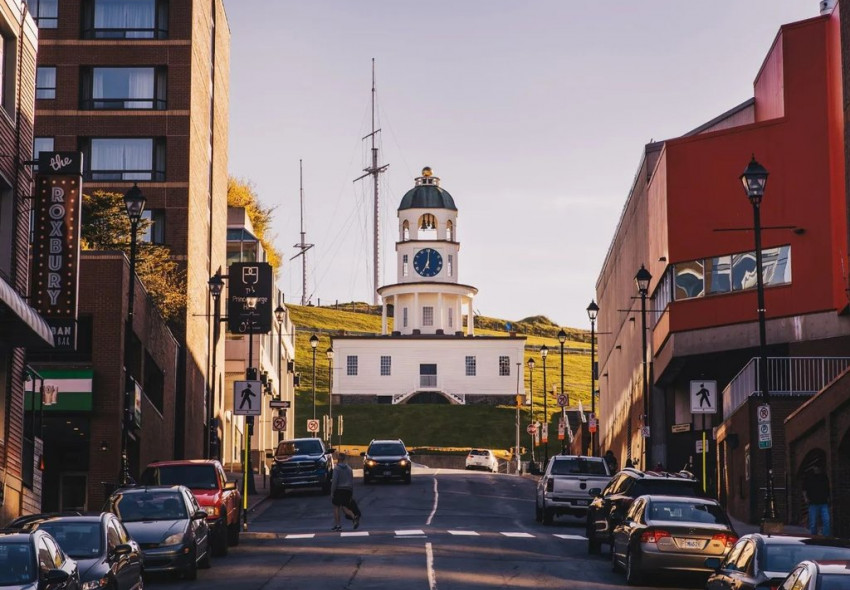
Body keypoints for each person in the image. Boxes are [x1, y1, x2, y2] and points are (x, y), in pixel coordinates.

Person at [330, 451, 360, 531]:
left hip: (339, 489)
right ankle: (354, 517)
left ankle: (338, 525)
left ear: (338, 459)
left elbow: (334, 481)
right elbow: (351, 481)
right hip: (348, 490)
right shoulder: (349, 469)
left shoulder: (336, 469)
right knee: (345, 507)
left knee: (336, 507)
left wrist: (332, 492)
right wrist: (351, 493)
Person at [803, 465, 831, 536]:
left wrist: (828, 498)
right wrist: (806, 498)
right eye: (816, 467)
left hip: (823, 502)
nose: (817, 468)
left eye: (818, 467)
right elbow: (804, 489)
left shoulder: (824, 477)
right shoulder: (809, 477)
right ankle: (814, 538)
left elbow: (827, 489)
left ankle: (825, 538)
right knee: (813, 523)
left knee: (826, 521)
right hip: (813, 503)